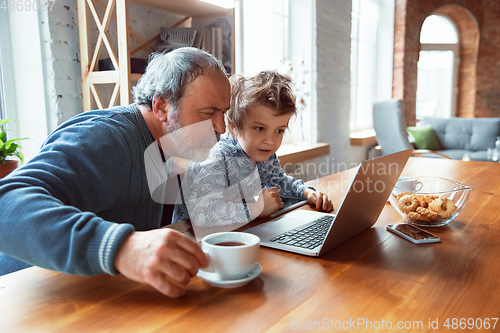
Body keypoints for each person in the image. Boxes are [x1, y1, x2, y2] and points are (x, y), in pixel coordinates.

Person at [0, 47, 231, 298]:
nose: (221, 127)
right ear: (162, 106)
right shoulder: (103, 138)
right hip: (25, 298)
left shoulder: (177, 148)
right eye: (208, 113)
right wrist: (122, 247)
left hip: (101, 298)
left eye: (224, 113)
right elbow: (5, 204)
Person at [174, 71, 333, 236]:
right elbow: (201, 215)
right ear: (234, 125)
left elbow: (279, 181)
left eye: (279, 130)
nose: (270, 141)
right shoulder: (216, 157)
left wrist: (307, 192)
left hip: (239, 233)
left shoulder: (265, 153)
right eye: (260, 128)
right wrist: (255, 209)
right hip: (191, 241)